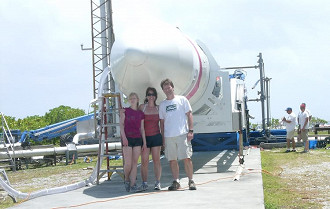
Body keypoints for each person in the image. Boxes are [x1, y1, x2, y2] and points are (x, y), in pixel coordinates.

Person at [159, 78, 196, 191]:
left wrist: (191, 130)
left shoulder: (182, 100)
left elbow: (189, 114)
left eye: (169, 87)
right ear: (163, 91)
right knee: (172, 160)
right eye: (165, 88)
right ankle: (176, 181)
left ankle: (191, 181)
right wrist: (163, 139)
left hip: (182, 134)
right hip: (169, 136)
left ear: (172, 87)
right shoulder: (163, 104)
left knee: (186, 158)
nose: (167, 90)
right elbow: (162, 122)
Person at [120, 92, 147, 192]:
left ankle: (133, 185)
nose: (132, 100)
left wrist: (144, 143)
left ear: (137, 99)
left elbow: (142, 129)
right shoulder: (125, 111)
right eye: (130, 98)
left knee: (135, 163)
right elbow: (121, 125)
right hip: (127, 138)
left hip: (137, 139)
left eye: (134, 98)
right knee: (128, 163)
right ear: (128, 100)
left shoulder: (141, 114)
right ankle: (126, 179)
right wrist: (124, 138)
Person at [138, 87, 162, 191]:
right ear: (146, 96)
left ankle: (157, 182)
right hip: (145, 138)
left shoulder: (158, 108)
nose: (151, 96)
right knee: (144, 161)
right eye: (149, 94)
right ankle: (144, 182)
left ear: (155, 96)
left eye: (152, 94)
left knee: (157, 161)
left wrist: (164, 138)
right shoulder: (142, 107)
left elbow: (163, 124)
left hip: (156, 136)